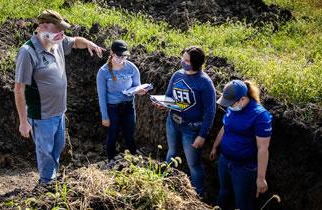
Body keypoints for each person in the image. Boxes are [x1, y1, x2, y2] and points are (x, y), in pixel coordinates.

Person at [14, 9, 104, 184]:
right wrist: (23, 122)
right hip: (41, 115)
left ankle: (51, 176)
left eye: (62, 30)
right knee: (45, 151)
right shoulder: (28, 52)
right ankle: (46, 182)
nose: (61, 34)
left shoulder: (57, 42)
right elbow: (19, 89)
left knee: (57, 147)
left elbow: (76, 41)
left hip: (59, 113)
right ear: (42, 27)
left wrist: (89, 43)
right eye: (57, 29)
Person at [157, 46, 216, 196]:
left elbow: (210, 111)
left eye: (186, 60)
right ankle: (163, 184)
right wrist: (163, 104)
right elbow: (169, 96)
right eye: (182, 58)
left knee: (193, 164)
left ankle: (198, 195)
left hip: (191, 129)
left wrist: (202, 135)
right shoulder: (177, 75)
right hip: (173, 122)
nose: (182, 62)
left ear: (196, 63)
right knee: (171, 152)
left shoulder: (205, 83)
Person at [210, 80, 273, 210]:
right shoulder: (233, 107)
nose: (228, 107)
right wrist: (215, 146)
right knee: (223, 193)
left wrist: (261, 178)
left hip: (244, 168)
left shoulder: (260, 116)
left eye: (230, 104)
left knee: (242, 203)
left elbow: (263, 148)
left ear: (242, 99)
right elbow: (225, 127)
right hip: (225, 161)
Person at [96, 40, 147, 166]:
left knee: (129, 133)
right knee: (112, 134)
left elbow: (137, 86)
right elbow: (101, 96)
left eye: (124, 56)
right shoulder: (103, 72)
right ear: (112, 53)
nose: (121, 59)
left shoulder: (131, 68)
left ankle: (135, 159)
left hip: (128, 107)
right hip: (112, 108)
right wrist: (105, 117)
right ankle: (110, 160)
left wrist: (139, 91)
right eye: (119, 56)